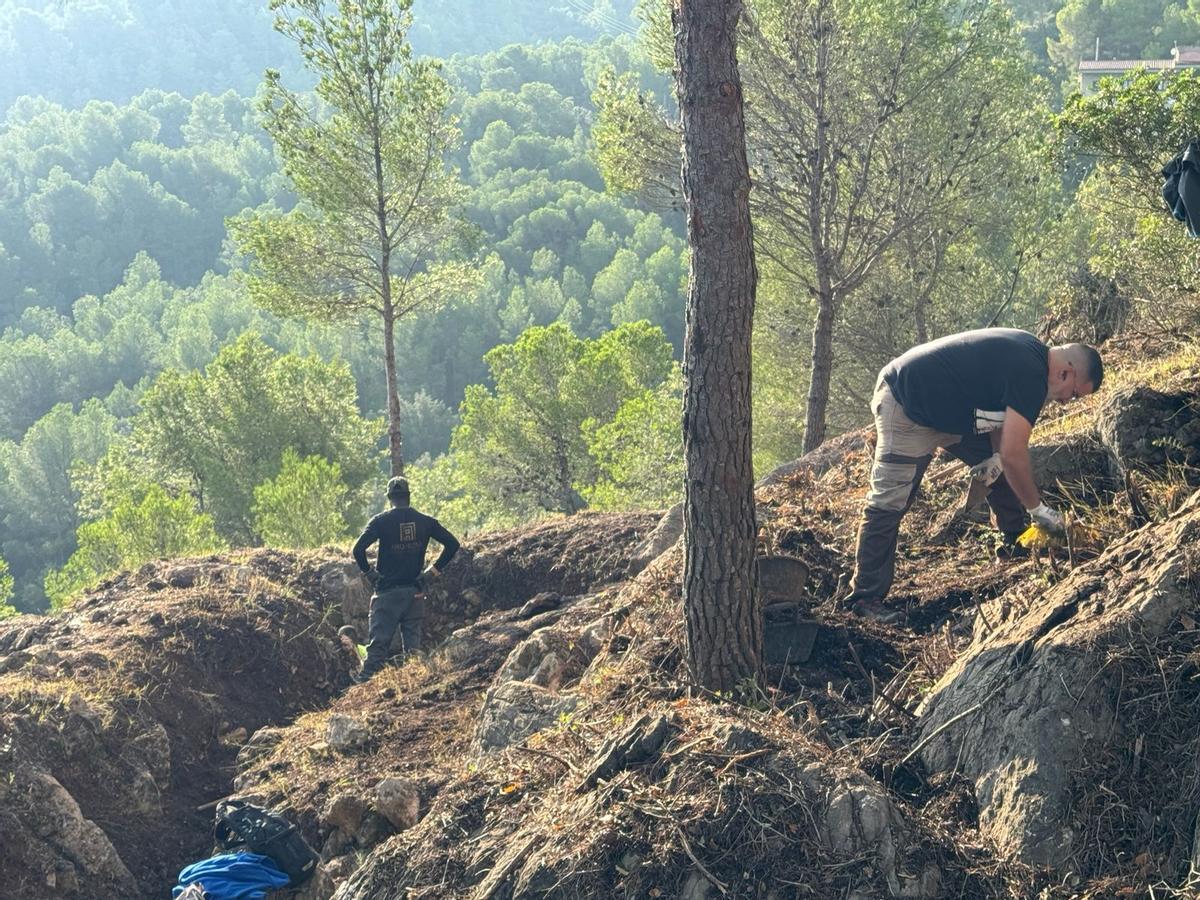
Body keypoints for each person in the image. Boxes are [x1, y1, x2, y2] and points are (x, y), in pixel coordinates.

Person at [845, 328, 1103, 624]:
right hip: (907, 404)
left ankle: (1014, 544)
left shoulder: (1030, 356)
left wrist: (993, 457)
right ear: (1066, 374)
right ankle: (865, 598)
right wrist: (1039, 511)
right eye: (1072, 394)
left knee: (998, 469)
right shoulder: (1032, 372)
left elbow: (997, 413)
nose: (1066, 402)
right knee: (889, 501)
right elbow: (1014, 453)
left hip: (950, 413)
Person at [350, 476, 460, 681]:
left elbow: (357, 550)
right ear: (408, 496)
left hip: (387, 594)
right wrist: (432, 572)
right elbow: (453, 544)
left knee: (377, 650)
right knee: (413, 652)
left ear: (390, 497)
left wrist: (370, 574)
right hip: (415, 592)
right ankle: (415, 687)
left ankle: (360, 689)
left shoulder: (381, 521)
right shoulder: (425, 521)